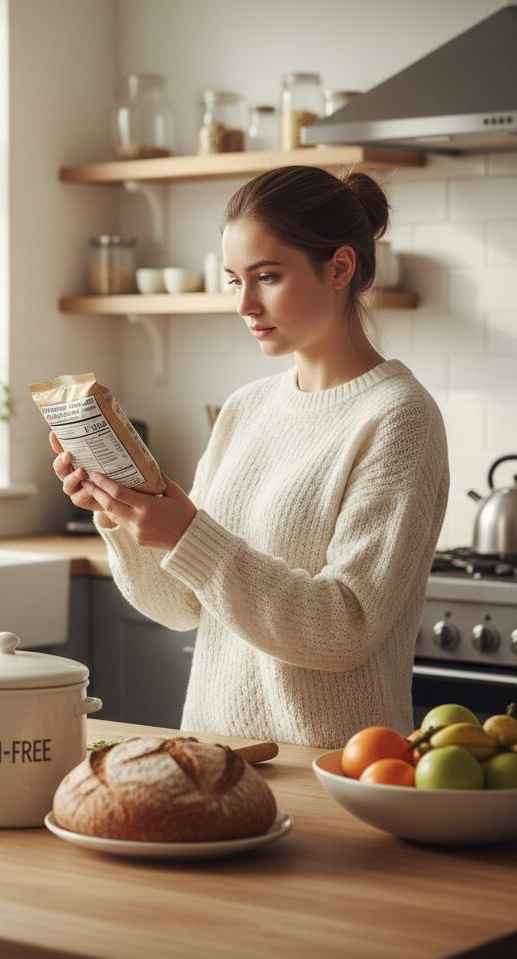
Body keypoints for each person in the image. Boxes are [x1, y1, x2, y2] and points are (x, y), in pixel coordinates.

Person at [50, 165, 449, 749]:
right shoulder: (245, 408)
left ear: (340, 267)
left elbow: (345, 627)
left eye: (267, 276)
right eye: (234, 280)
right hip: (215, 756)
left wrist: (189, 535)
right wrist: (122, 514)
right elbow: (181, 606)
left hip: (333, 768)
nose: (245, 304)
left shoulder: (398, 416)